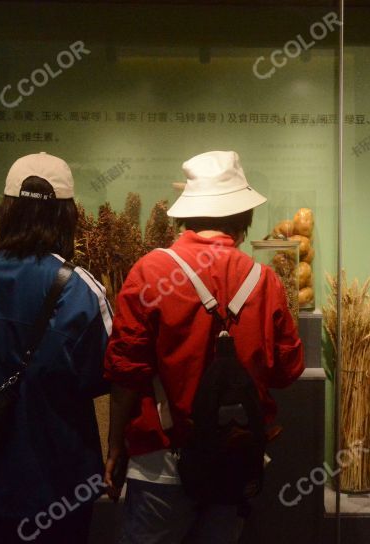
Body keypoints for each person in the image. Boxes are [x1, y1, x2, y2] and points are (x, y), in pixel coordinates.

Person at [104, 150, 304, 544]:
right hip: (234, 461)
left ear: (185, 217)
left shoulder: (151, 270)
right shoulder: (264, 280)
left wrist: (115, 446)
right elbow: (287, 370)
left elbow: (126, 371)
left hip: (161, 462)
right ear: (243, 219)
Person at [0, 152, 112, 543]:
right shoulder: (80, 288)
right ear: (68, 215)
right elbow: (104, 374)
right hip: (64, 481)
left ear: (6, 211)